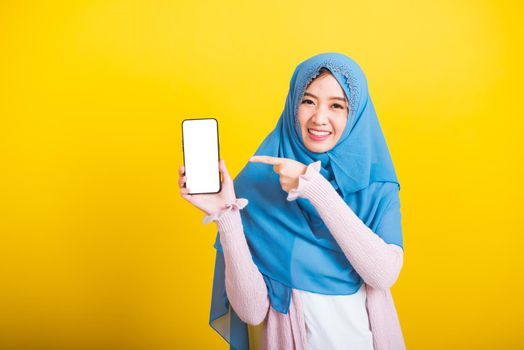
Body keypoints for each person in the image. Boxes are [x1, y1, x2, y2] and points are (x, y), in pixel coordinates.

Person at [179, 52, 406, 350]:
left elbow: (383, 273)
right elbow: (251, 310)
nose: (319, 118)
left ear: (355, 114)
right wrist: (226, 216)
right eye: (308, 101)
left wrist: (314, 188)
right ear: (292, 105)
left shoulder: (377, 187)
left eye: (336, 105)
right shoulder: (256, 185)